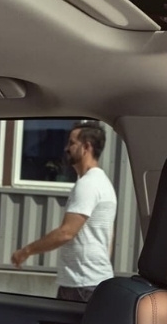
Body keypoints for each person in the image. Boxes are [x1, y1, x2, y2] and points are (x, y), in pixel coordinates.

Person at [11, 120, 117, 302]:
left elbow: (66, 233)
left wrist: (26, 251)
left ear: (86, 147)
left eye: (71, 143)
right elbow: (108, 238)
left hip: (82, 284)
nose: (66, 148)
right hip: (90, 281)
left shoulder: (88, 184)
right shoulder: (102, 183)